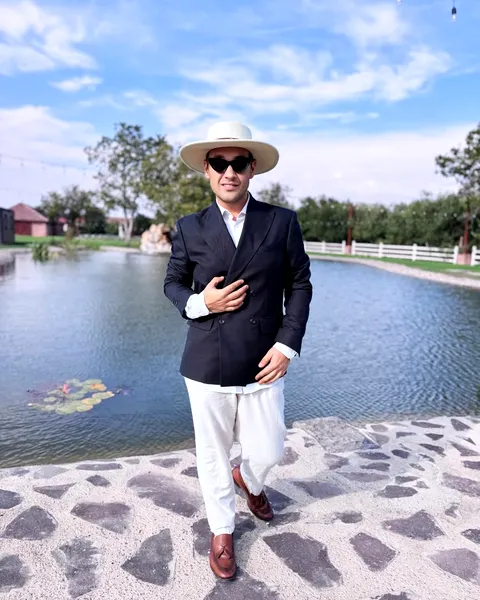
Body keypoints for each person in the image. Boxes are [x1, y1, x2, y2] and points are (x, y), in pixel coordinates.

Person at [164, 121, 312, 580]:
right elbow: (172, 283)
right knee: (212, 452)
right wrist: (200, 303)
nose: (229, 172)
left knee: (268, 450)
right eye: (219, 163)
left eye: (239, 163)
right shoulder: (189, 227)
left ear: (252, 169)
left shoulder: (281, 222)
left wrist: (287, 345)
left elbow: (300, 284)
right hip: (206, 359)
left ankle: (249, 479)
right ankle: (223, 530)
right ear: (207, 170)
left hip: (264, 359)